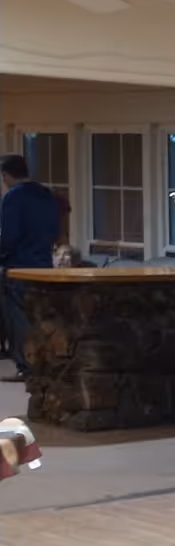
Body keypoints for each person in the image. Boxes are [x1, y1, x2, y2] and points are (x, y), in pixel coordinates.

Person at [1, 154, 62, 383]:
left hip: (19, 267)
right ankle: (45, 363)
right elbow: (55, 231)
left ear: (6, 175)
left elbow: (8, 237)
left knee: (18, 319)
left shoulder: (13, 197)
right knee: (40, 318)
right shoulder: (47, 195)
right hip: (44, 265)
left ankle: (26, 367)